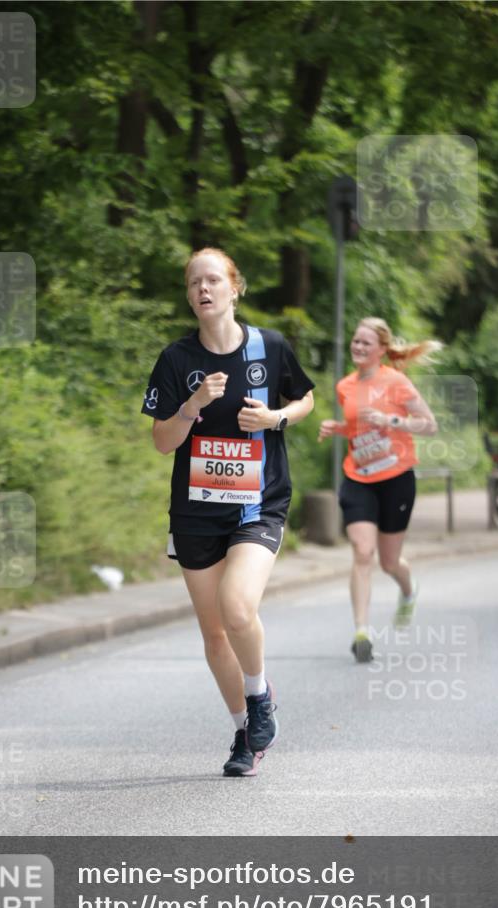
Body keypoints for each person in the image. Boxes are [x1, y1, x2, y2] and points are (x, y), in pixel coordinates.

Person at [142, 248, 314, 776]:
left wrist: (276, 417)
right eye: (194, 282)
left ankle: (260, 698)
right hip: (195, 512)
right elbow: (162, 442)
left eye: (213, 279)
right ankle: (245, 732)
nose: (203, 289)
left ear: (235, 287)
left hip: (258, 504)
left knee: (237, 607)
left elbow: (306, 399)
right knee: (215, 633)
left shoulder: (270, 347)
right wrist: (191, 406)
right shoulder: (176, 360)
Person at [318, 317, 440, 662]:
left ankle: (408, 588)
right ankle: (361, 632)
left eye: (365, 343)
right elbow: (358, 429)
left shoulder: (397, 383)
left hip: (396, 479)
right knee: (362, 551)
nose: (358, 347)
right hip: (358, 477)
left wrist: (393, 421)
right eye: (355, 341)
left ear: (382, 350)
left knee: (388, 562)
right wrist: (337, 428)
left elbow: (430, 425)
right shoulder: (345, 386)